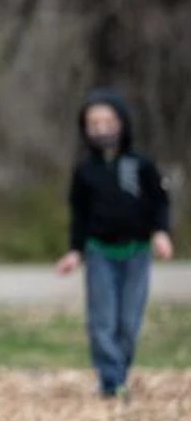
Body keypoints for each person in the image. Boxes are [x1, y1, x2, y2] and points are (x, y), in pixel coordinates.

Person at [53, 88, 174, 399]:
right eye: (94, 123)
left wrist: (160, 232)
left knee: (128, 321)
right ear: (85, 128)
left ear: (122, 123)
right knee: (102, 321)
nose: (102, 129)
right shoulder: (84, 170)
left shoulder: (141, 164)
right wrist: (75, 250)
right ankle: (111, 381)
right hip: (99, 252)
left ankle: (119, 371)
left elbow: (159, 202)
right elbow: (78, 213)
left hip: (136, 251)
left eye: (108, 121)